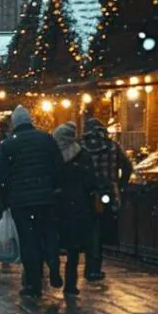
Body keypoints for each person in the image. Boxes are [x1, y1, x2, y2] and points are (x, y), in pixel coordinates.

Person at [0, 105, 64, 298]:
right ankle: (53, 265)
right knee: (49, 235)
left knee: (29, 241)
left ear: (14, 124)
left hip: (21, 202)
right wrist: (55, 189)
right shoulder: (46, 139)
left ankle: (33, 284)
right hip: (46, 199)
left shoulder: (8, 145)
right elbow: (57, 166)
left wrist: (5, 202)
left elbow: (2, 176)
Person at [80, 117, 133, 281]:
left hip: (87, 195)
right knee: (102, 229)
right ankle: (96, 266)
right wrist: (120, 183)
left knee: (89, 229)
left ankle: (90, 265)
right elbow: (127, 166)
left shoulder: (82, 147)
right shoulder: (112, 146)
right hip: (108, 193)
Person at [52, 122, 99, 297]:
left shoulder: (53, 156)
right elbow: (91, 181)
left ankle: (55, 273)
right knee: (74, 249)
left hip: (57, 205)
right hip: (79, 206)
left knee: (54, 243)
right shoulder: (83, 155)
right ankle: (70, 284)